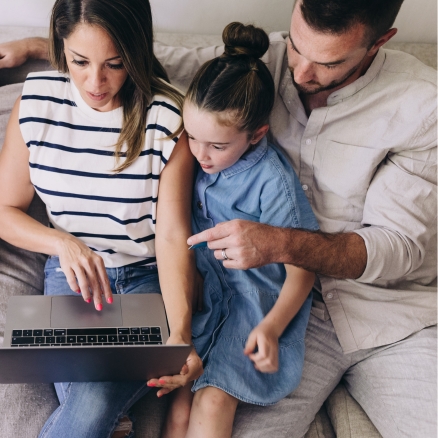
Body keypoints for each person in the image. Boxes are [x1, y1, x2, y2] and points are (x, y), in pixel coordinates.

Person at [1, 0, 437, 437]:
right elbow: (151, 59)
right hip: (226, 299)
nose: (299, 72)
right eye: (298, 47)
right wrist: (52, 49)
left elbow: (399, 249)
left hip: (375, 312)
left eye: (328, 62)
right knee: (103, 405)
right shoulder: (258, 60)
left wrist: (279, 246)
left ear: (379, 42)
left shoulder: (420, 107)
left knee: (126, 403)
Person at [0, 0, 203, 437]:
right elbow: (4, 210)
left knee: (91, 402)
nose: (96, 82)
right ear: (60, 48)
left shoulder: (168, 117)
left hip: (147, 279)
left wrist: (180, 332)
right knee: (92, 409)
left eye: (114, 64)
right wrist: (63, 244)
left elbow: (171, 236)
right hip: (70, 278)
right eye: (79, 61)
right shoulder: (36, 101)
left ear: (135, 51)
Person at [155, 22, 319, 438]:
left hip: (255, 303)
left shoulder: (271, 180)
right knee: (178, 400)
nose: (201, 155)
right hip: (206, 293)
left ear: (256, 134)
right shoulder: (194, 155)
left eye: (217, 145)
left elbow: (304, 267)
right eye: (192, 137)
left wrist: (272, 328)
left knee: (212, 400)